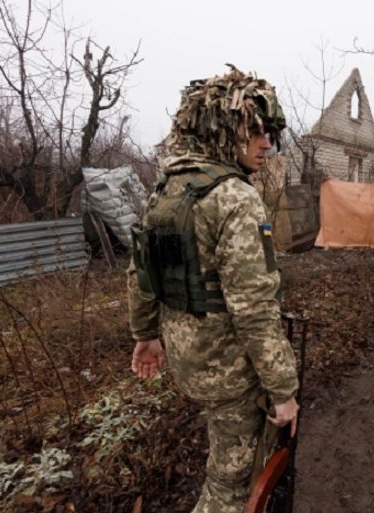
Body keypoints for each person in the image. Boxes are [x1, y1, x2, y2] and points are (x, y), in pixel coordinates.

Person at [127, 65, 299, 513]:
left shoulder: (165, 189)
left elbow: (141, 273)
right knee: (229, 484)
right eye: (255, 131)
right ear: (223, 129)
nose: (267, 144)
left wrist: (146, 336)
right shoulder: (235, 198)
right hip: (231, 372)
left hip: (188, 360)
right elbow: (254, 308)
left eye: (271, 132)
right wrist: (282, 390)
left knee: (223, 457)